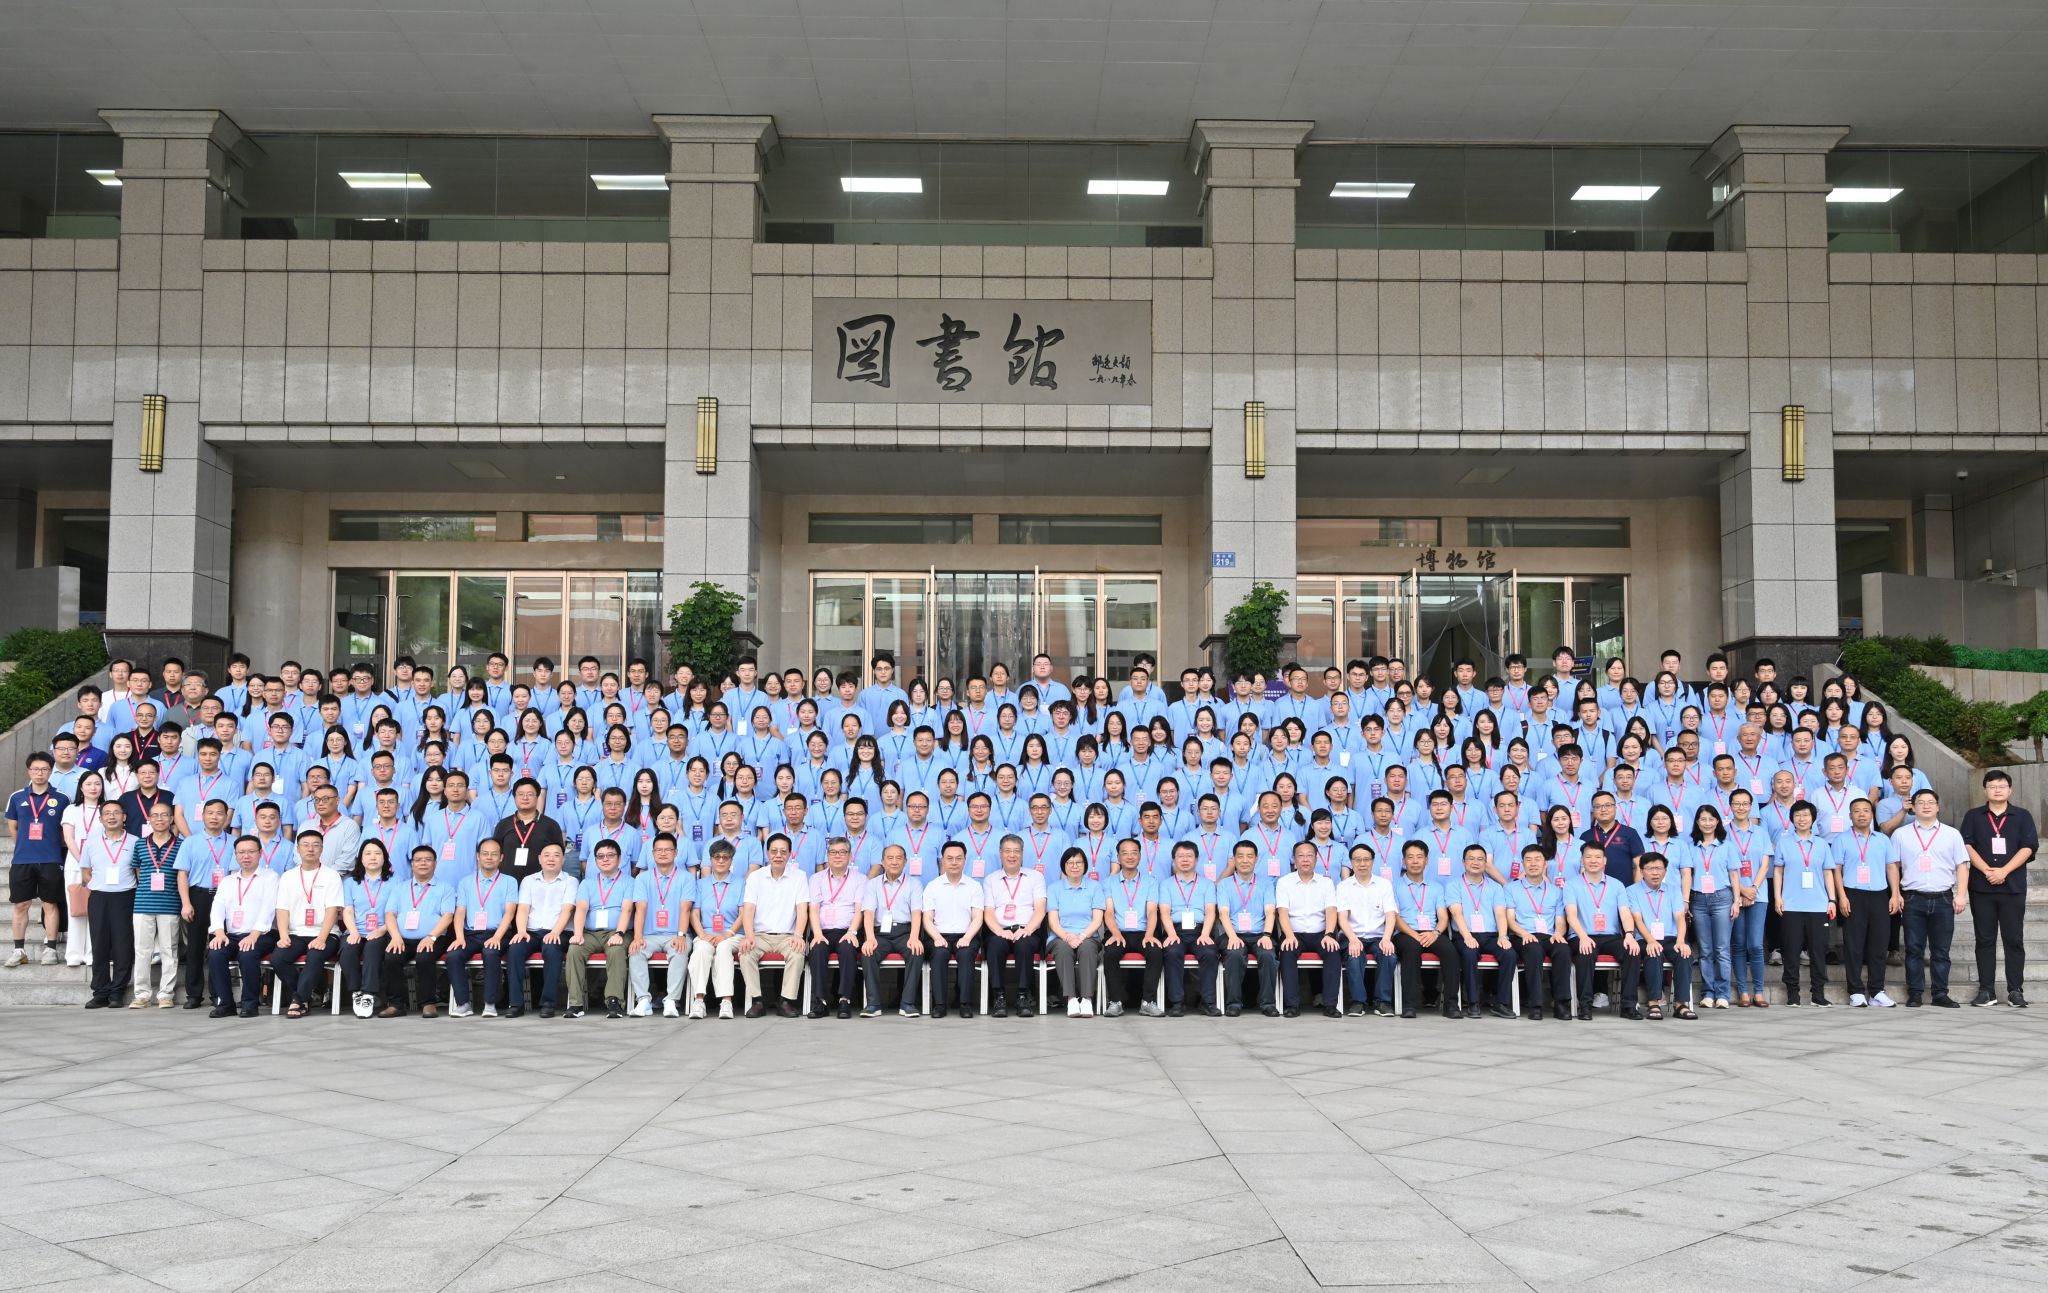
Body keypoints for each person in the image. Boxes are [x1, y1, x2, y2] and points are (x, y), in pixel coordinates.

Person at [1959, 770, 2034, 1008]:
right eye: (1992, 786)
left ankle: (2015, 990)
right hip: (1982, 888)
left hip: (2013, 887)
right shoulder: (1973, 816)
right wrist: (1987, 870)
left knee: (2014, 940)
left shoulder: (2022, 816)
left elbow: (2028, 847)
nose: (1997, 790)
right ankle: (1986, 990)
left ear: (2010, 790)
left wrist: (2003, 871)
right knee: (1984, 940)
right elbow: (1966, 845)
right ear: (1985, 790)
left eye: (2002, 786)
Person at [1893, 789, 1969, 1009]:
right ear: (1913, 807)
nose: (1926, 806)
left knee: (1941, 951)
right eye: (1921, 802)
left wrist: (1961, 894)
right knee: (1913, 949)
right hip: (1913, 898)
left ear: (1938, 807)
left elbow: (1962, 865)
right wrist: (1896, 894)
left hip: (1943, 898)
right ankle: (1915, 993)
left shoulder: (1952, 834)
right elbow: (1893, 866)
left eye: (1930, 802)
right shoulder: (1901, 834)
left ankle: (1940, 993)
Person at [269, 829, 346, 1018]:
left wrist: (321, 938)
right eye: (305, 845)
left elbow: (332, 910)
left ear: (322, 849)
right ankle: (303, 997)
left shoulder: (331, 876)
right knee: (278, 958)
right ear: (298, 849)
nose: (310, 849)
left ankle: (298, 1001)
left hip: (326, 933)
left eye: (315, 845)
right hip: (295, 933)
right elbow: (282, 909)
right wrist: (284, 936)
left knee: (315, 955)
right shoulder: (288, 876)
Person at [1833, 797, 1899, 1008]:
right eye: (1857, 811)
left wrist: (1895, 894)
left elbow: (1891, 867)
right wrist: (1842, 896)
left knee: (1879, 945)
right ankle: (1855, 991)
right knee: (1854, 945)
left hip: (1879, 895)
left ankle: (1877, 990)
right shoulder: (1841, 839)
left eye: (1866, 810)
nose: (1862, 814)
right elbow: (1836, 870)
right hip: (1853, 894)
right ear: (1850, 815)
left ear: (1872, 815)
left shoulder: (1882, 839)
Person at [446, 838, 523, 1018]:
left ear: (501, 857)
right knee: (453, 955)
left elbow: (510, 913)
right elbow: (460, 912)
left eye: (494, 854)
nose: (489, 857)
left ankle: (490, 1003)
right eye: (485, 854)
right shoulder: (465, 882)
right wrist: (459, 937)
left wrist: (497, 937)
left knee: (490, 952)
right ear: (478, 856)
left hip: (499, 933)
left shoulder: (509, 881)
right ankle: (463, 1004)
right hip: (471, 934)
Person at [736, 833, 810, 1017]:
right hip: (760, 935)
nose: (778, 855)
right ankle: (757, 1001)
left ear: (790, 854)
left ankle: (786, 1002)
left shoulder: (799, 876)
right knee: (745, 952)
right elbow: (748, 909)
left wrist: (798, 935)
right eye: (774, 851)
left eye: (783, 852)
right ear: (767, 853)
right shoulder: (755, 877)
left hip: (788, 936)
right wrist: (749, 936)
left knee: (797, 953)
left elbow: (802, 909)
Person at [1772, 800, 1838, 1007]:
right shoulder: (1784, 842)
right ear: (1792, 819)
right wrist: (1778, 897)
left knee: (1818, 951)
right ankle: (1793, 993)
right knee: (1791, 951)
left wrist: (1832, 899)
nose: (1802, 819)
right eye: (1798, 815)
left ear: (1813, 819)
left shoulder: (1821, 844)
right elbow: (1778, 871)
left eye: (1806, 815)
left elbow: (1828, 873)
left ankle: (1818, 994)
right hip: (1791, 905)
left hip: (1818, 905)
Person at [204, 835, 278, 1017]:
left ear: (260, 853)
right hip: (232, 935)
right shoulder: (227, 881)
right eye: (241, 852)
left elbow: (269, 908)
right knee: (215, 953)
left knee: (247, 954)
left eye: (251, 851)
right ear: (235, 855)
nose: (246, 856)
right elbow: (217, 907)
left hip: (262, 934)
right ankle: (225, 1004)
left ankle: (250, 1004)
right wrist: (219, 932)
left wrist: (254, 935)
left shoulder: (270, 877)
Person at [7, 751, 68, 967]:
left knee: (50, 903)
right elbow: (13, 826)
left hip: (51, 859)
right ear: (29, 771)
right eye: (35, 769)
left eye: (44, 769)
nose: (39, 773)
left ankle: (50, 949)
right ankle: (19, 950)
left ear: (50, 772)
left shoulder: (62, 798)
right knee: (21, 904)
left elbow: (65, 829)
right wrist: (24, 845)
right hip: (22, 859)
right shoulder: (17, 797)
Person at [380, 845, 455, 1018]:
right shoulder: (400, 888)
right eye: (418, 860)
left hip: (433, 938)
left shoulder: (445, 888)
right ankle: (396, 1005)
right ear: (412, 864)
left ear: (435, 863)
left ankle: (428, 1004)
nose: (423, 863)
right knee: (391, 958)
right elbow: (390, 914)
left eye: (428, 860)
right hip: (402, 938)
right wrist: (395, 937)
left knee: (424, 958)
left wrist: (431, 937)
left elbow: (448, 916)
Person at [1445, 843, 1517, 1020]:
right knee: (1469, 954)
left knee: (1509, 954)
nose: (1475, 862)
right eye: (1471, 859)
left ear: (1486, 863)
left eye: (1480, 859)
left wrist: (1503, 936)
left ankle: (1501, 1003)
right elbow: (1456, 913)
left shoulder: (1495, 887)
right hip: (1464, 935)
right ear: (1463, 862)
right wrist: (1467, 936)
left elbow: (1500, 914)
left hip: (1491, 936)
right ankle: (1473, 1003)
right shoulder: (1454, 885)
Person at [1564, 841, 1635, 1019]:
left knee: (1632, 951)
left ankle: (1628, 1006)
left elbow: (1625, 913)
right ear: (1582, 860)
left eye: (1597, 857)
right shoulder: (1571, 885)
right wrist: (1583, 936)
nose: (1593, 860)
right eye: (1588, 857)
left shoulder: (1617, 885)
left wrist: (1629, 935)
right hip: (1582, 935)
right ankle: (1585, 1006)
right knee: (1585, 952)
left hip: (1611, 936)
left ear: (1605, 860)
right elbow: (1571, 915)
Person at [565, 838, 633, 1019]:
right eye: (600, 856)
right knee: (574, 949)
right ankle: (576, 1003)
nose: (605, 859)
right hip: (591, 933)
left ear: (619, 859)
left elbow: (627, 909)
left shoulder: (629, 882)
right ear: (595, 860)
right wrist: (578, 934)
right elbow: (581, 909)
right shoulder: (587, 883)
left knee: (616, 950)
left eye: (610, 855)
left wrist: (619, 933)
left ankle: (614, 1001)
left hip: (617, 932)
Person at [79, 799, 137, 1009]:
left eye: (116, 812)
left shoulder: (135, 842)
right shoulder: (91, 842)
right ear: (101, 818)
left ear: (124, 817)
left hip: (125, 896)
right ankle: (100, 991)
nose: (112, 816)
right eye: (107, 813)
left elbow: (139, 872)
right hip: (99, 897)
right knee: (99, 944)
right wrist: (97, 884)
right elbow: (85, 872)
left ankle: (117, 992)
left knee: (123, 945)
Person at [629, 832, 694, 1018]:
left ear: (676, 853)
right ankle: (643, 1000)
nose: (663, 853)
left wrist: (681, 935)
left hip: (675, 933)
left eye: (667, 850)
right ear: (652, 853)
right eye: (658, 850)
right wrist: (638, 937)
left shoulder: (686, 878)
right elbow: (640, 909)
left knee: (680, 950)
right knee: (636, 950)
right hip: (649, 935)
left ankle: (671, 1000)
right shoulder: (642, 878)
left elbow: (686, 908)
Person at [980, 834, 1045, 1018]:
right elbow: (988, 911)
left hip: (1027, 929)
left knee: (1024, 946)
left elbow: (1040, 909)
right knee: (995, 946)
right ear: (1001, 853)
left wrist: (1027, 930)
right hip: (999, 930)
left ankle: (1023, 996)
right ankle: (999, 997)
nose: (1012, 855)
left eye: (1016, 851)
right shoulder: (991, 879)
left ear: (1022, 854)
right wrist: (1000, 931)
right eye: (1008, 851)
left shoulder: (1035, 877)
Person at [1505, 843, 1572, 1020]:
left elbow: (1560, 920)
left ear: (1545, 864)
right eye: (1528, 860)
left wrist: (1558, 933)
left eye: (1537, 859)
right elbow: (1510, 920)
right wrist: (1524, 934)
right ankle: (1535, 1005)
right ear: (1523, 864)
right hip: (1522, 936)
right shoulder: (1511, 888)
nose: (1533, 864)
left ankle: (1561, 1004)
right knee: (1533, 950)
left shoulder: (1556, 891)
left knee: (1563, 950)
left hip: (1549, 936)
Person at [1275, 840, 1341, 1017]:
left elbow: (1331, 910)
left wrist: (1329, 934)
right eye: (1301, 856)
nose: (1305, 860)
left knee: (1333, 952)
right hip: (1294, 933)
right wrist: (1289, 936)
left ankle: (1330, 1005)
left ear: (1316, 859)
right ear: (1294, 860)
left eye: (1309, 855)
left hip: (1321, 934)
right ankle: (1292, 1005)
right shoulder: (1284, 882)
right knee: (1287, 952)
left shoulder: (1326, 882)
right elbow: (1282, 912)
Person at [1155, 840, 1221, 1017]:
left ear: (1196, 859)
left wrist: (1206, 934)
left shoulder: (1207, 884)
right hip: (1175, 930)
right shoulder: (1166, 884)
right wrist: (1171, 934)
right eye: (1180, 856)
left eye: (1189, 856)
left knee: (1209, 953)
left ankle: (1208, 1002)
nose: (1185, 860)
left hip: (1200, 930)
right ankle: (1177, 1003)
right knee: (1172, 952)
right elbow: (1165, 912)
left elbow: (1210, 912)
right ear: (1174, 860)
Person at [1626, 851, 1695, 1019]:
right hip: (1645, 938)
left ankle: (1681, 1004)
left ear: (1665, 871)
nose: (1655, 873)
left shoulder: (1674, 890)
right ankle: (1654, 1003)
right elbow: (1637, 919)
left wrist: (1681, 941)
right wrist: (1650, 940)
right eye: (1650, 869)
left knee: (1684, 954)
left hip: (1670, 938)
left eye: (1659, 868)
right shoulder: (1632, 891)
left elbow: (1680, 917)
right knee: (1654, 952)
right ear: (1641, 871)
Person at [129, 799, 184, 1008]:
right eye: (155, 815)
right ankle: (142, 995)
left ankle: (165, 995)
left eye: (164, 815)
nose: (159, 819)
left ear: (171, 819)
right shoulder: (140, 844)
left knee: (169, 950)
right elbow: (138, 871)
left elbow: (182, 875)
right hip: (143, 904)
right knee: (142, 950)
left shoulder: (181, 845)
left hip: (170, 904)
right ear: (149, 819)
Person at [859, 844, 924, 1018]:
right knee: (868, 952)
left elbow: (916, 913)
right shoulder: (872, 884)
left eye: (898, 858)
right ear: (882, 862)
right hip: (880, 933)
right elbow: (868, 913)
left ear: (905, 861)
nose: (894, 862)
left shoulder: (914, 884)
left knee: (916, 951)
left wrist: (914, 937)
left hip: (905, 932)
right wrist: (869, 938)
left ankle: (907, 1004)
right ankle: (873, 1004)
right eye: (890, 858)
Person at [513, 843, 578, 1018]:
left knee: (551, 949)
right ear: (539, 859)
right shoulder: (528, 880)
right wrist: (521, 931)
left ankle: (548, 1003)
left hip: (560, 932)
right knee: (515, 949)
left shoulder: (571, 881)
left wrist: (555, 932)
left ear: (563, 859)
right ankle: (516, 1003)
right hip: (532, 931)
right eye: (547, 855)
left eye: (556, 855)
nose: (551, 859)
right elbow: (523, 908)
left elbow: (567, 909)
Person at [921, 841, 985, 1019]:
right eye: (949, 858)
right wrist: (936, 937)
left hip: (967, 934)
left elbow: (977, 917)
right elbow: (927, 918)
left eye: (958, 858)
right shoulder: (933, 886)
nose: (954, 862)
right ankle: (939, 1005)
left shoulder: (974, 886)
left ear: (965, 860)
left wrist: (967, 937)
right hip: (938, 935)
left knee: (965, 954)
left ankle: (965, 1004)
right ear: (942, 860)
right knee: (939, 954)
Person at [804, 837, 866, 1019]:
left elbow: (859, 910)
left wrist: (852, 932)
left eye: (842, 852)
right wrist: (816, 933)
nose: (837, 856)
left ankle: (844, 1000)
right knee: (817, 949)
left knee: (847, 949)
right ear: (827, 855)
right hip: (822, 931)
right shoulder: (816, 878)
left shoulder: (860, 879)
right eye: (833, 852)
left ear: (850, 855)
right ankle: (820, 1001)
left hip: (847, 930)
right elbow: (813, 908)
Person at [1335, 843, 1397, 1017]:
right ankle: (1357, 1002)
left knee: (1389, 955)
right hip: (1352, 936)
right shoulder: (1343, 886)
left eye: (1366, 859)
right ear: (1351, 862)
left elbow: (1390, 915)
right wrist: (1353, 940)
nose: (1362, 864)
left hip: (1378, 936)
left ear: (1373, 861)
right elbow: (1342, 918)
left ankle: (1382, 1002)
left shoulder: (1384, 885)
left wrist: (1387, 939)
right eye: (1357, 860)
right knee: (1354, 956)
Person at [1044, 846, 1105, 1018]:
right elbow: (1053, 921)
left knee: (1087, 949)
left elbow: (1097, 919)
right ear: (1063, 866)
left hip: (1088, 936)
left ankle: (1086, 999)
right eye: (1070, 863)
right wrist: (1067, 937)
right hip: (1060, 937)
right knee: (1063, 950)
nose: (1075, 866)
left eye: (1079, 862)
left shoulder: (1095, 887)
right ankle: (1071, 999)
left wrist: (1082, 936)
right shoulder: (1054, 888)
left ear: (1085, 865)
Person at [687, 840, 744, 1018]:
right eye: (717, 857)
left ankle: (726, 1002)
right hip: (707, 933)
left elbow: (744, 914)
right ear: (710, 859)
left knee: (723, 948)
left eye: (725, 857)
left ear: (731, 860)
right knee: (701, 950)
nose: (720, 861)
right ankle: (699, 1000)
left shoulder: (741, 883)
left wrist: (727, 934)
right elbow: (694, 913)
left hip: (733, 934)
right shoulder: (700, 884)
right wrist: (702, 935)